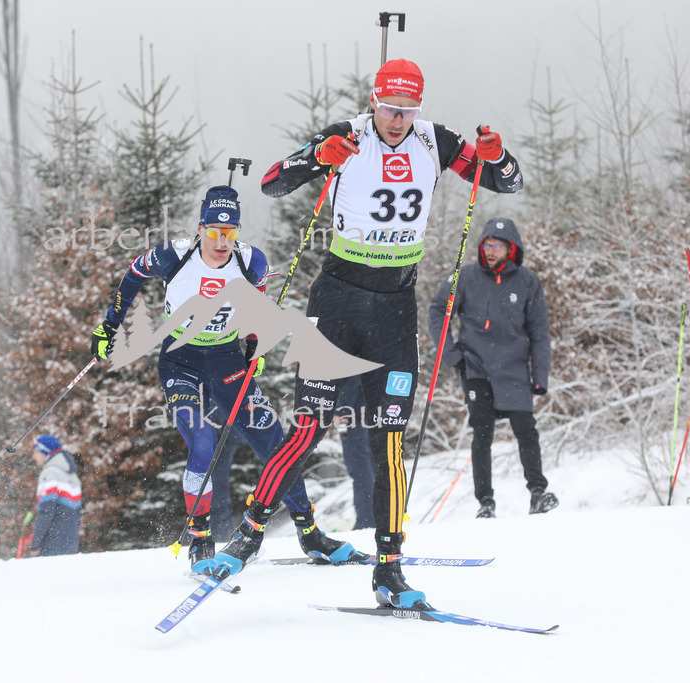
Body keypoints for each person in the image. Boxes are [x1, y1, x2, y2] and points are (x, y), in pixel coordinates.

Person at [210, 58, 524, 608]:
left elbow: (505, 181)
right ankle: (249, 534)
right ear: (373, 101)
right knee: (308, 427)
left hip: (395, 309)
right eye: (388, 108)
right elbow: (271, 183)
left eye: (407, 110)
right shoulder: (346, 136)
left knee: (390, 440)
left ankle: (389, 569)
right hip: (337, 303)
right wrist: (316, 157)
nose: (397, 120)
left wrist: (495, 154)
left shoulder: (438, 141)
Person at [90, 185, 367, 574]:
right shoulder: (175, 254)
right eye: (215, 231)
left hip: (226, 361)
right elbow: (134, 274)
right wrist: (110, 327)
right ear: (200, 228)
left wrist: (255, 344)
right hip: (180, 361)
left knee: (274, 443)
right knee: (202, 441)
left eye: (230, 232)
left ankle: (310, 534)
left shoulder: (251, 261)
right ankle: (200, 539)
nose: (222, 241)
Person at [428, 217, 557, 519]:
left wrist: (540, 376)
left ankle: (538, 493)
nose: (490, 251)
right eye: (486, 244)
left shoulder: (527, 281)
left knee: (527, 431)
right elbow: (438, 311)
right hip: (475, 367)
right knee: (481, 434)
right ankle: (485, 503)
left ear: (511, 249)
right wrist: (452, 356)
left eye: (497, 246)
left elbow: (540, 331)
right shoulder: (465, 276)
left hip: (514, 370)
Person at [28, 434, 82, 556]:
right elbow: (77, 514)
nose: (34, 457)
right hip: (70, 544)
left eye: (36, 452)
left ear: (44, 452)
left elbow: (46, 512)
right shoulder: (73, 477)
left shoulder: (50, 473)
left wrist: (35, 544)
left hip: (50, 545)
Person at [336, 376, 374, 530]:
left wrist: (342, 411)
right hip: (366, 413)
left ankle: (367, 520)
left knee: (360, 470)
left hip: (355, 416)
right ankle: (373, 518)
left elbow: (351, 375)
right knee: (369, 467)